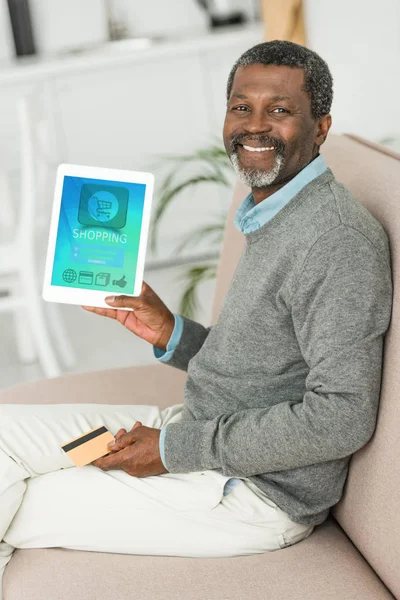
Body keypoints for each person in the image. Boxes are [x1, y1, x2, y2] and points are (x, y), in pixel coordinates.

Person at [0, 40, 392, 593]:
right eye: (241, 106)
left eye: (279, 110)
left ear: (321, 127)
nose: (253, 126)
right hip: (197, 429)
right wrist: (173, 333)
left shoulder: (335, 241)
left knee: (23, 500)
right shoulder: (275, 208)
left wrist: (170, 450)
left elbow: (341, 417)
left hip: (252, 493)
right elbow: (267, 361)